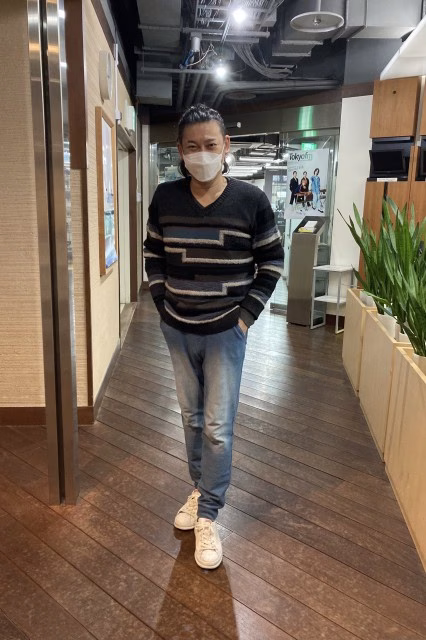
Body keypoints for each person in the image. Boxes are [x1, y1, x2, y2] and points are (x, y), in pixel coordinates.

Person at [144, 104, 284, 570]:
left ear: (226, 146)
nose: (201, 154)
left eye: (210, 144)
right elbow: (153, 253)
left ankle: (208, 512)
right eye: (192, 146)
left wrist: (245, 317)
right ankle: (200, 489)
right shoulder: (165, 197)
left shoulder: (251, 200)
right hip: (177, 328)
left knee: (218, 427)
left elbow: (271, 262)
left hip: (226, 330)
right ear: (179, 150)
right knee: (191, 419)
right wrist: (161, 302)